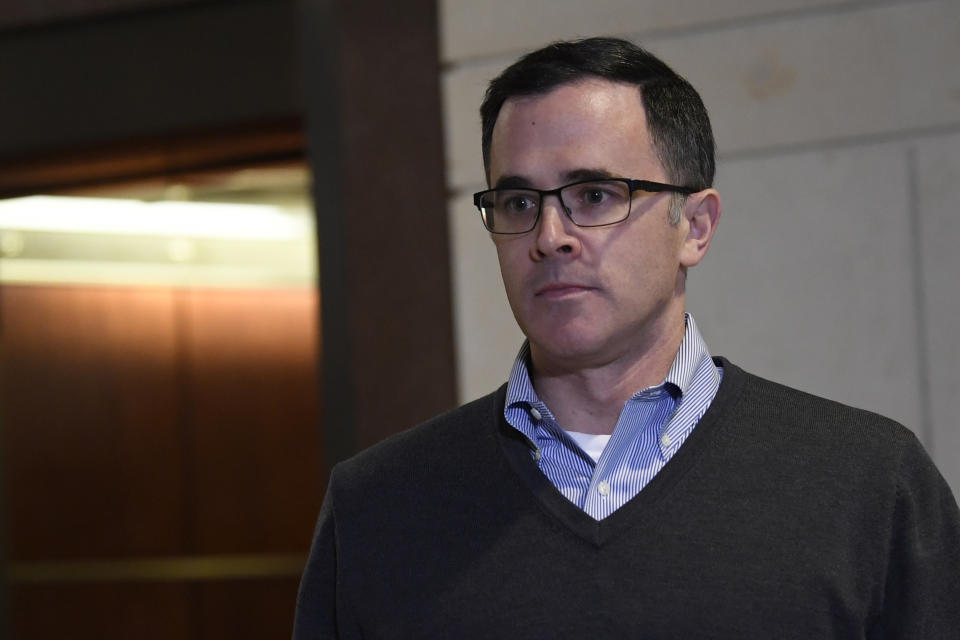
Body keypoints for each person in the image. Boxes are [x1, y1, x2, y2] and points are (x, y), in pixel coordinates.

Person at [293, 37, 960, 639]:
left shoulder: (868, 485)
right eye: (519, 203)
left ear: (695, 226)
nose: (550, 236)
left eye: (595, 195)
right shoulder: (380, 507)